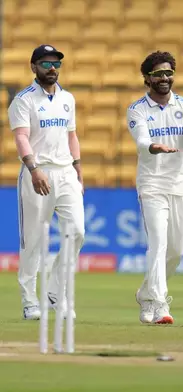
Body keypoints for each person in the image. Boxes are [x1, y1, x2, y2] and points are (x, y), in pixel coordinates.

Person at [127, 51, 183, 325]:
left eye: (168, 73)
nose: (164, 78)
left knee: (176, 250)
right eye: (158, 74)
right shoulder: (137, 109)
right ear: (147, 78)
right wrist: (153, 146)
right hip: (151, 184)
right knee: (158, 244)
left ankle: (145, 293)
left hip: (180, 184)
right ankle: (161, 303)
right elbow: (141, 140)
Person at [8, 44, 85, 321]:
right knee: (34, 240)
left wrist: (78, 168)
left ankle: (55, 291)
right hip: (37, 173)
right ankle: (30, 300)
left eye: (56, 64)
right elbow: (21, 137)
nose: (52, 69)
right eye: (46, 64)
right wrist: (33, 168)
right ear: (34, 67)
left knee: (76, 231)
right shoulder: (24, 99)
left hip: (66, 172)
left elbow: (72, 136)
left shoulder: (68, 98)